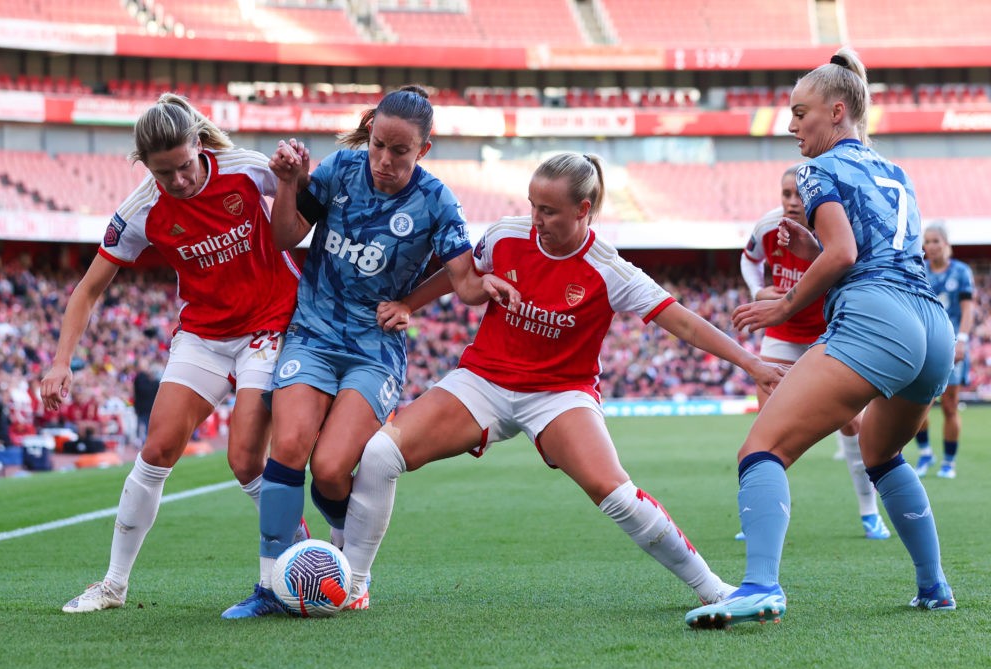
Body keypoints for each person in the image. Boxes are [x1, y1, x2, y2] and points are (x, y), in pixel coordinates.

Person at [338, 151, 787, 613]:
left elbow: (686, 324)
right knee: (379, 454)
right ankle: (353, 584)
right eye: (532, 205)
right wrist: (410, 303)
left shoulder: (610, 270)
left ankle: (713, 589)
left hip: (559, 394)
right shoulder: (506, 235)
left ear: (583, 209)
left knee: (615, 494)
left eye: (548, 210)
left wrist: (751, 364)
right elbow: (461, 277)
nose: (536, 219)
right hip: (483, 379)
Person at [222, 85, 520, 618]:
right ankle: (270, 586)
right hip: (312, 333)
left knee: (333, 469)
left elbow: (464, 283)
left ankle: (341, 555)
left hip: (373, 349)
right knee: (288, 445)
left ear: (423, 150)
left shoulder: (436, 201)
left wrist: (472, 287)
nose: (384, 159)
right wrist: (288, 184)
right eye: (378, 144)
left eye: (399, 151)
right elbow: (285, 237)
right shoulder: (340, 171)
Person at [686, 48, 956, 630]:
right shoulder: (893, 168)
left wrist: (783, 304)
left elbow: (844, 253)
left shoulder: (816, 170)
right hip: (933, 328)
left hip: (878, 318)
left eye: (799, 112)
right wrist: (822, 256)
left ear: (836, 111)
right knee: (882, 455)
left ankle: (760, 586)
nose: (790, 126)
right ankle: (934, 587)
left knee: (761, 449)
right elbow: (870, 250)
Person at [41, 93, 303, 613]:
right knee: (157, 449)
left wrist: (296, 173)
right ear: (146, 168)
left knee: (245, 459)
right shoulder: (140, 210)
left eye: (184, 166)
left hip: (269, 323)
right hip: (204, 332)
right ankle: (113, 586)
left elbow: (313, 206)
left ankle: (293, 567)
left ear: (199, 144)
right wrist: (60, 360)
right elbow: (88, 290)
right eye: (165, 174)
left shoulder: (247, 170)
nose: (179, 181)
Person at [740, 167, 890, 541]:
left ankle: (870, 512)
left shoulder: (833, 229)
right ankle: (757, 515)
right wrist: (758, 291)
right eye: (785, 193)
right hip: (782, 333)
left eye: (798, 195)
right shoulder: (768, 227)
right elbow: (749, 259)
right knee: (767, 426)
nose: (791, 201)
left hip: (829, 333)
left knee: (853, 425)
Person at [913, 223, 975, 479]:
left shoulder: (961, 271)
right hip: (924, 346)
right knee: (916, 405)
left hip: (951, 346)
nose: (932, 246)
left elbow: (968, 308)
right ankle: (925, 451)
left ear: (946, 243)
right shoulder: (919, 270)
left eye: (937, 240)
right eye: (927, 241)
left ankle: (949, 462)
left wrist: (961, 339)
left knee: (949, 406)